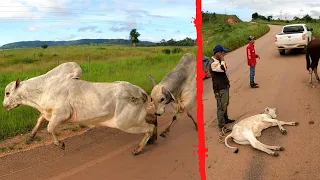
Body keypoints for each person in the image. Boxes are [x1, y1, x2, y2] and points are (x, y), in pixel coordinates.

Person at [209, 45, 235, 133]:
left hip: (224, 86)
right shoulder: (212, 63)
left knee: (225, 104)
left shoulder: (218, 61)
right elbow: (223, 69)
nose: (224, 54)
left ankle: (226, 119)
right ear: (218, 53)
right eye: (223, 52)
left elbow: (225, 68)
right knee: (221, 107)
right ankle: (221, 126)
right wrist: (223, 60)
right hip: (219, 88)